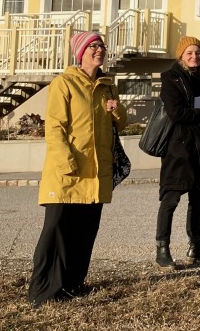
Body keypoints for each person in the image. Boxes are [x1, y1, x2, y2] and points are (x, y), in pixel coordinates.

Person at [29, 31, 127, 306]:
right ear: (80, 52)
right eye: (93, 46)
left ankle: (73, 285)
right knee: (56, 232)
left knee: (85, 232)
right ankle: (43, 291)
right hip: (68, 173)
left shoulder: (108, 86)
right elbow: (55, 127)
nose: (99, 50)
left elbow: (120, 124)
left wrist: (116, 110)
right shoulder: (64, 83)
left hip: (96, 173)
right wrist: (66, 163)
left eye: (102, 46)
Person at [155, 35, 200, 269]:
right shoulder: (171, 78)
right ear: (181, 56)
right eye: (189, 53)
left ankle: (196, 247)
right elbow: (177, 113)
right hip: (178, 147)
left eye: (197, 52)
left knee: (198, 199)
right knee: (171, 198)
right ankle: (162, 249)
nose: (194, 56)